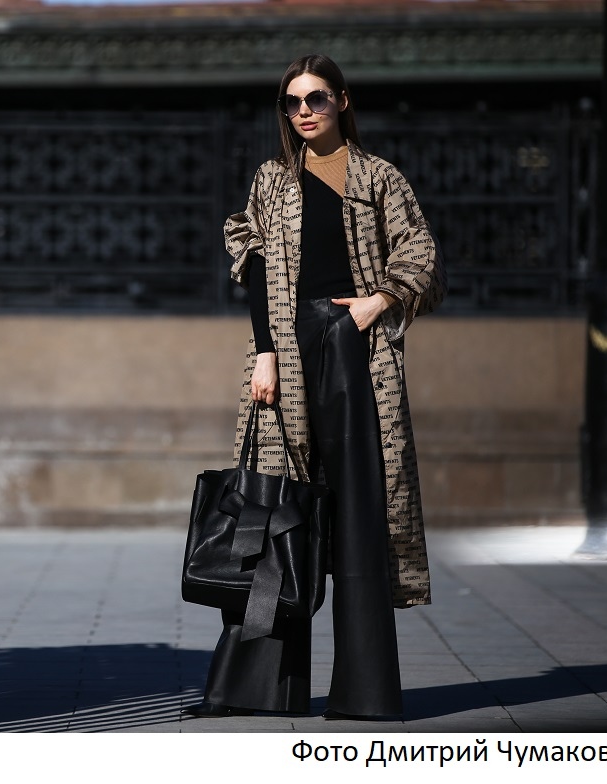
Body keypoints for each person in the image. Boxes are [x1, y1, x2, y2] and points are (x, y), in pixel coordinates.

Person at [184, 54, 445, 720]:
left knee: (360, 513)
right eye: (292, 102)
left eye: (316, 99)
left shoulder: (380, 177)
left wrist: (373, 303)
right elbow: (253, 267)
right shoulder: (272, 180)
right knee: (273, 513)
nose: (304, 111)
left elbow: (419, 251)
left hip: (357, 354)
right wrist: (266, 354)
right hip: (285, 352)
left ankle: (364, 694)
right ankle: (258, 691)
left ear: (343, 102)